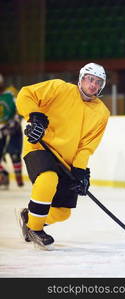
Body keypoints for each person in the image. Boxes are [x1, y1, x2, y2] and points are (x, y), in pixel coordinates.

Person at [16, 62, 110, 249]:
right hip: (40, 147)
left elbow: (86, 146)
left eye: (98, 82)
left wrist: (79, 170)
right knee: (47, 179)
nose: (93, 84)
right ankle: (34, 229)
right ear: (81, 79)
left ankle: (30, 217)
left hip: (66, 161)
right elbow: (26, 94)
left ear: (102, 86)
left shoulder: (102, 113)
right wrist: (34, 116)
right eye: (90, 79)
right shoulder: (60, 88)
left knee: (62, 212)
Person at [0, 74, 24, 189]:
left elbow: (21, 108)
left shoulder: (11, 93)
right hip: (1, 130)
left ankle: (18, 177)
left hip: (13, 129)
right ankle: (3, 176)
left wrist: (15, 121)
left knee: (14, 154)